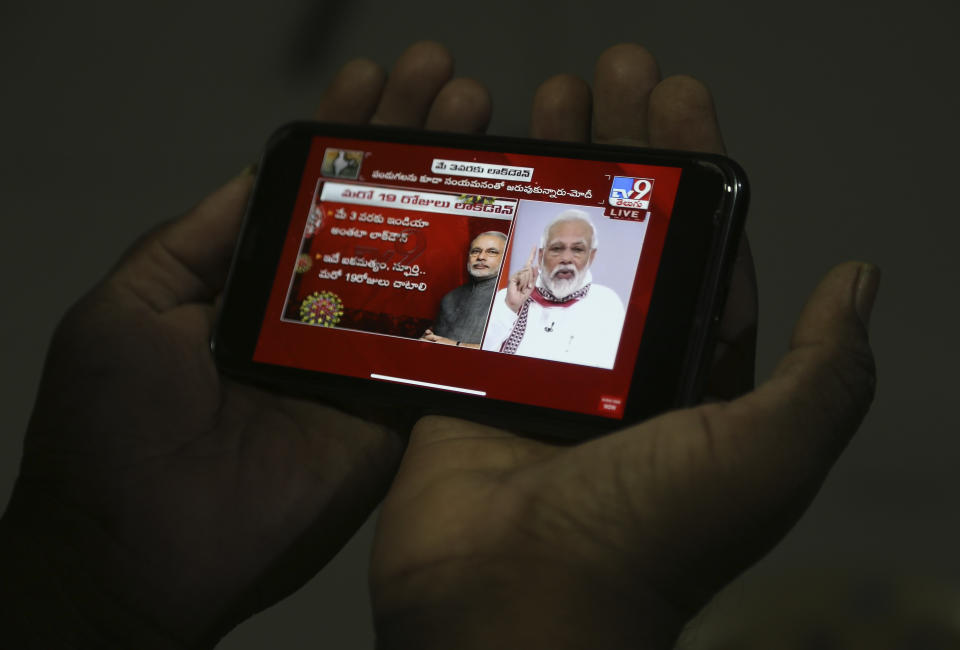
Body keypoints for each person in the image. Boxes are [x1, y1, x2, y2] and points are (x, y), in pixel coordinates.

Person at [0, 41, 877, 650]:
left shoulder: (607, 310)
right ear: (527, 254)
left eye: (580, 245)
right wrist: (83, 586)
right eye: (550, 246)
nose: (562, 257)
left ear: (594, 254)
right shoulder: (478, 303)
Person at [481, 210, 625, 368]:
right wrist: (510, 307)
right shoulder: (508, 297)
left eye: (577, 250)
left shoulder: (607, 305)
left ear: (591, 256)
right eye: (557, 248)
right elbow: (480, 361)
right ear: (541, 256)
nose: (566, 259)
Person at [420, 230, 506, 348]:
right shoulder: (450, 297)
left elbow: (509, 350)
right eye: (475, 251)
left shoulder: (512, 298)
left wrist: (457, 345)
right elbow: (439, 339)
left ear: (506, 256)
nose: (480, 257)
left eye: (492, 252)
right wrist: (428, 340)